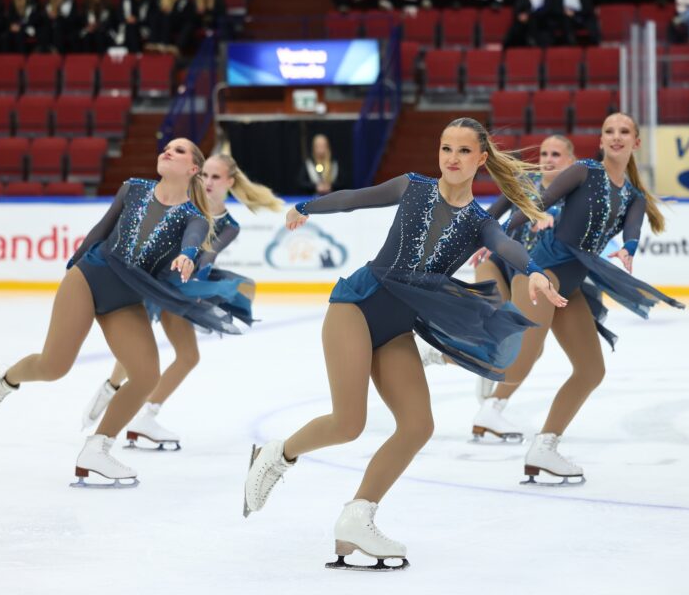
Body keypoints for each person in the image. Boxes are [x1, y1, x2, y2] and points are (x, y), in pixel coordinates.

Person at [242, 117, 565, 570]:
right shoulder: (412, 187)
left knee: (417, 425)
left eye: (463, 151)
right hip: (356, 306)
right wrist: (309, 207)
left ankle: (357, 517)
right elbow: (356, 199)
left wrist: (531, 269)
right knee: (348, 422)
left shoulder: (477, 221)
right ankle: (278, 454)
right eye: (445, 147)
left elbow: (507, 246)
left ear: (481, 159)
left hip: (397, 327)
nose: (451, 158)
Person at [0, 138, 242, 489]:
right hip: (89, 278)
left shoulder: (194, 217)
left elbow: (194, 237)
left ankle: (97, 449)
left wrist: (188, 255)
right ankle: (5, 377)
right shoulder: (134, 187)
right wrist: (74, 267)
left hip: (126, 299)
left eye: (178, 151)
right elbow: (101, 229)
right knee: (54, 366)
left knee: (146, 376)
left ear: (193, 168)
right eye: (166, 147)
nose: (167, 151)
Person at [497, 112, 684, 486]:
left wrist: (630, 249)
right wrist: (497, 236)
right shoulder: (584, 170)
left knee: (591, 370)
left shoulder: (633, 196)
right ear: (600, 141)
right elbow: (539, 201)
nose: (616, 137)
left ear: (636, 142)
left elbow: (632, 229)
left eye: (624, 131)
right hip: (542, 271)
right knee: (518, 364)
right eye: (609, 131)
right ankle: (444, 352)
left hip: (573, 281)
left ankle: (544, 447)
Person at [83, 154, 283, 450]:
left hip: (181, 285)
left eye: (216, 177)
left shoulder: (229, 225)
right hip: (151, 278)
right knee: (144, 349)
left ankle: (143, 412)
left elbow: (207, 256)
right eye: (204, 175)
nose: (208, 182)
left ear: (230, 181)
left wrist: (196, 282)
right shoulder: (183, 201)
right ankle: (115, 391)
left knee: (185, 356)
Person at [419, 135, 579, 442]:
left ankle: (477, 386)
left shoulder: (577, 196)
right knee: (514, 346)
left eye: (556, 154)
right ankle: (484, 396)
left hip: (532, 273)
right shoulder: (527, 182)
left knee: (528, 348)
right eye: (544, 152)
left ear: (571, 161)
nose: (548, 158)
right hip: (503, 263)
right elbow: (492, 213)